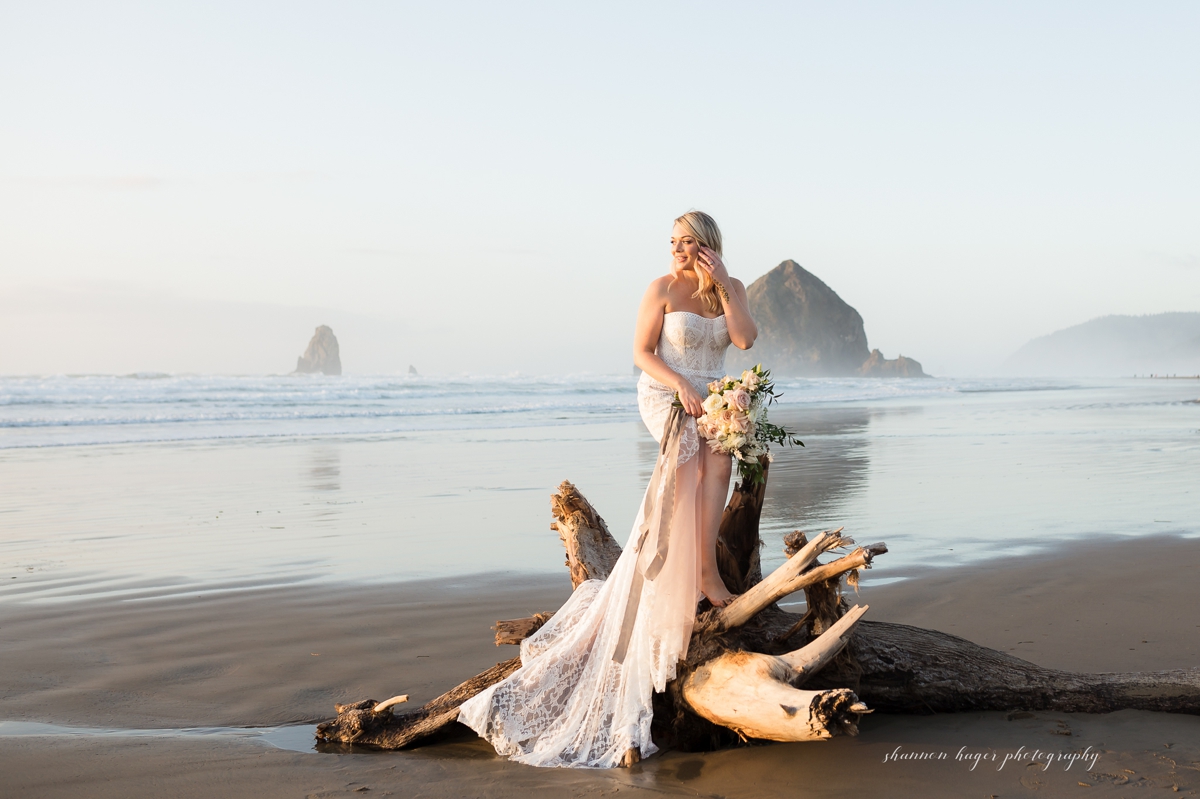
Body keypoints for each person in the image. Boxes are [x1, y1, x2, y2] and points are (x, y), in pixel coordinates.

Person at [457, 211, 757, 768]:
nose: (677, 250)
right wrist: (681, 384)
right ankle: (685, 575)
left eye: (688, 242)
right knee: (684, 474)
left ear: (709, 246)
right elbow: (642, 353)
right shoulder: (660, 288)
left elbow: (743, 339)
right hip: (667, 392)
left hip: (715, 394)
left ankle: (705, 572)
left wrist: (722, 285)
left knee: (720, 469)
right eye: (673, 242)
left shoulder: (731, 287)